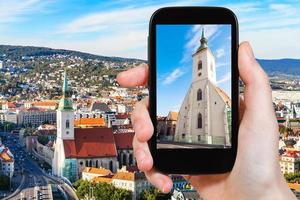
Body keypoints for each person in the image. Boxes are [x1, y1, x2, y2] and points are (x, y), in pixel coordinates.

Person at [117, 42, 296, 199]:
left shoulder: (216, 91)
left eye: (203, 62)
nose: (200, 64)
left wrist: (265, 192)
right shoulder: (192, 89)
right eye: (198, 61)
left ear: (210, 63)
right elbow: (181, 117)